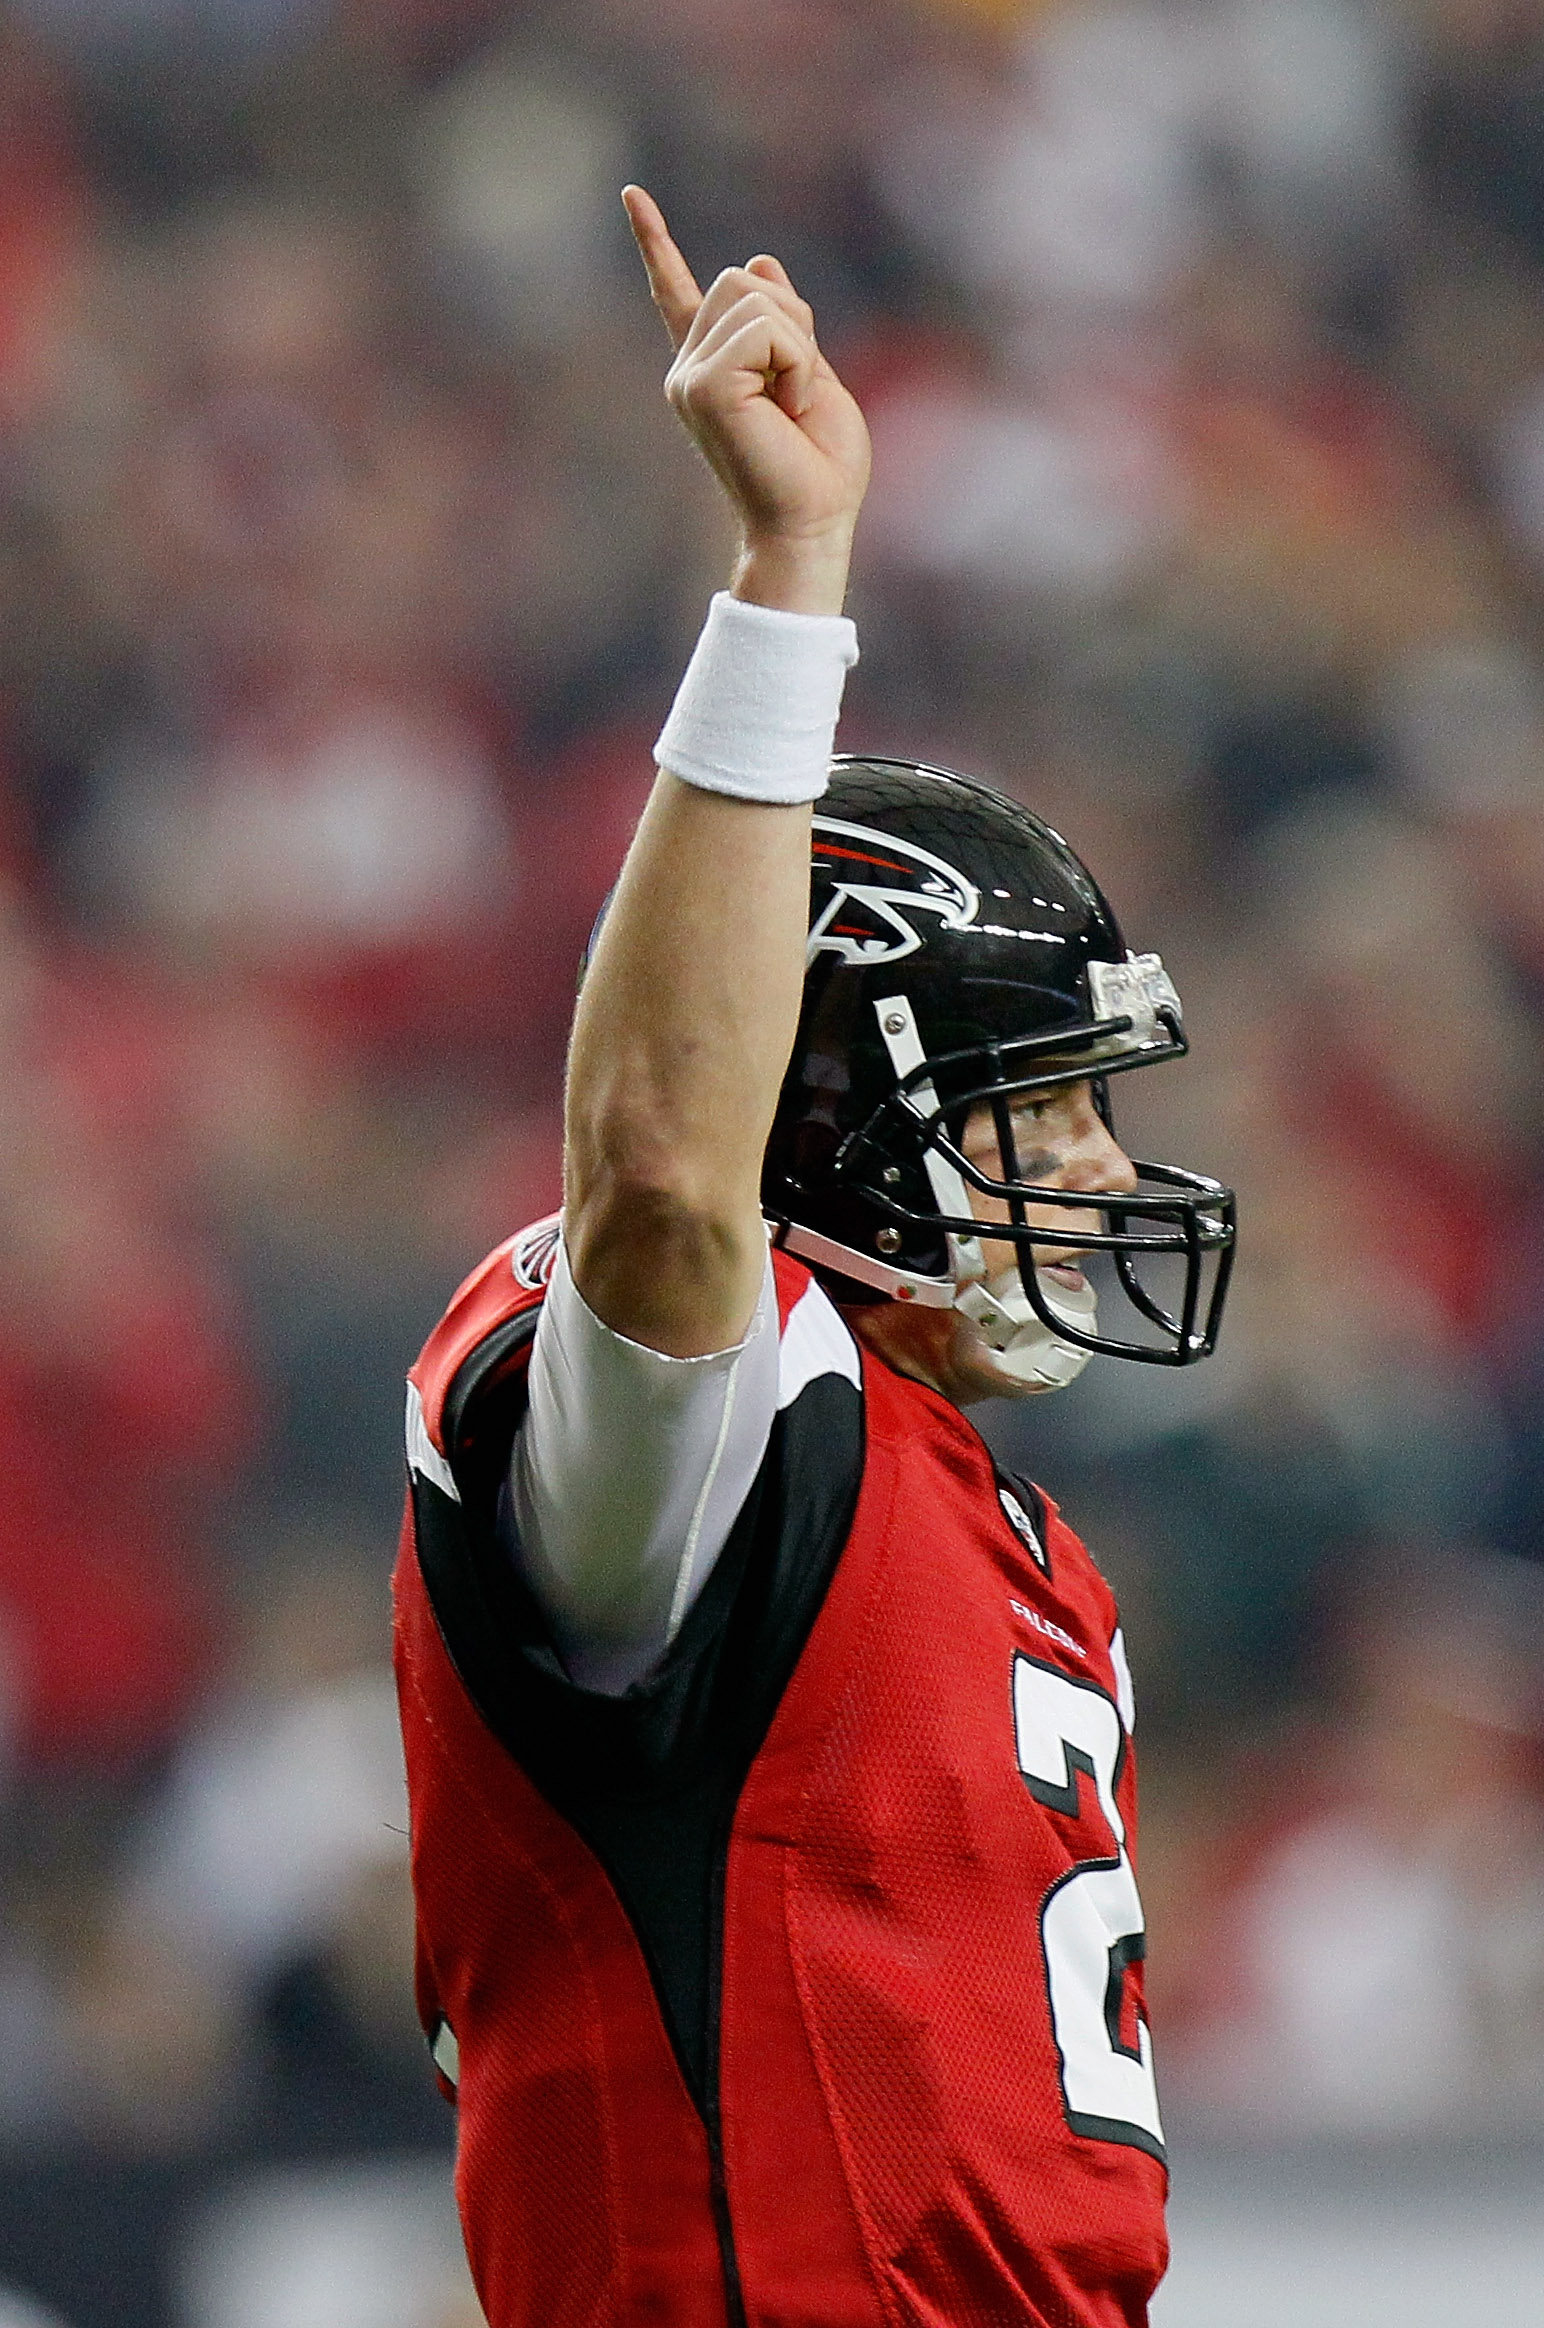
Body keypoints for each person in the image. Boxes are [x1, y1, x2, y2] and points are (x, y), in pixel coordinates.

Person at [393, 188, 1236, 2328]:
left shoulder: (1012, 1540)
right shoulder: (713, 1415)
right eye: (1041, 1103)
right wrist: (788, 584)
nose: (1104, 1167)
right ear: (850, 1118)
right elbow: (668, 1172)